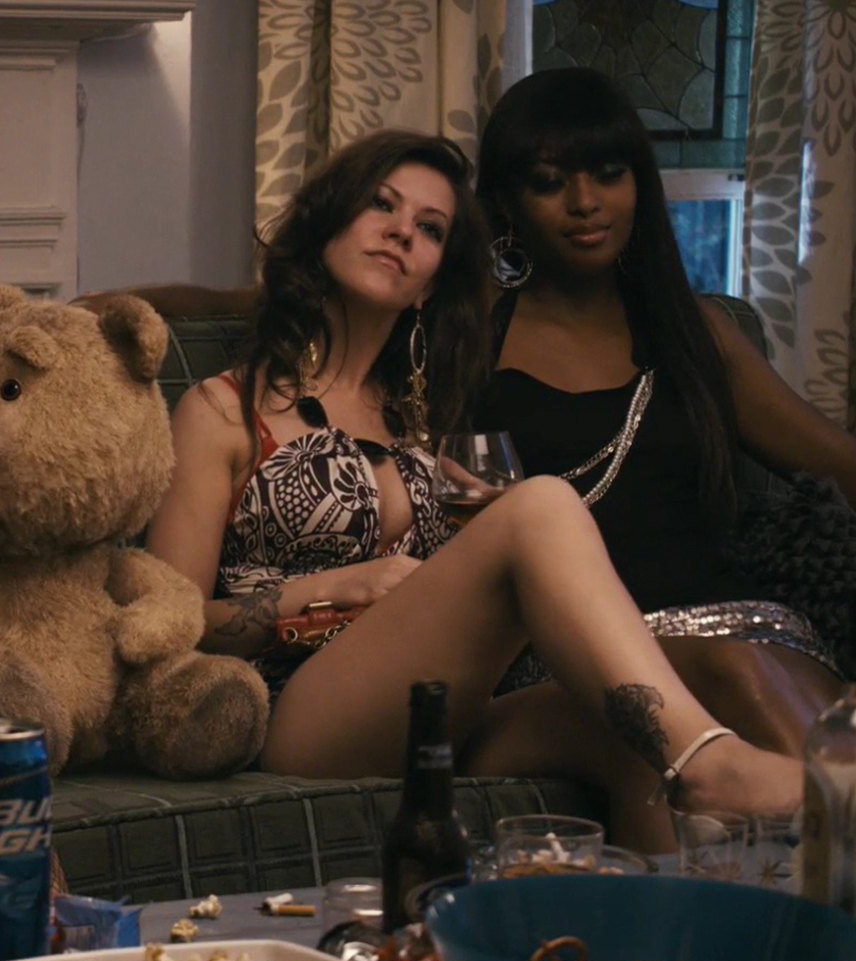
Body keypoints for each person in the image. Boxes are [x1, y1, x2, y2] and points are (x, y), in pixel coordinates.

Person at [141, 130, 800, 850]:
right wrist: (331, 588)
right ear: (328, 223)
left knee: (630, 729)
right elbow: (171, 627)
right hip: (296, 705)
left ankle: (667, 916)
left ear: (429, 284)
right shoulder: (222, 411)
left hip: (446, 702)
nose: (402, 232)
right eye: (380, 205)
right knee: (543, 502)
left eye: (429, 229)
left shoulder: (426, 422)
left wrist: (481, 541)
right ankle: (714, 764)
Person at [474, 66, 856, 757]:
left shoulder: (695, 333)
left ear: (639, 185)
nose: (585, 203)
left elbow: (840, 464)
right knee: (736, 672)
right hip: (574, 654)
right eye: (551, 183)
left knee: (780, 690)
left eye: (609, 175)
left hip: (745, 627)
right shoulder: (470, 339)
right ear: (506, 201)